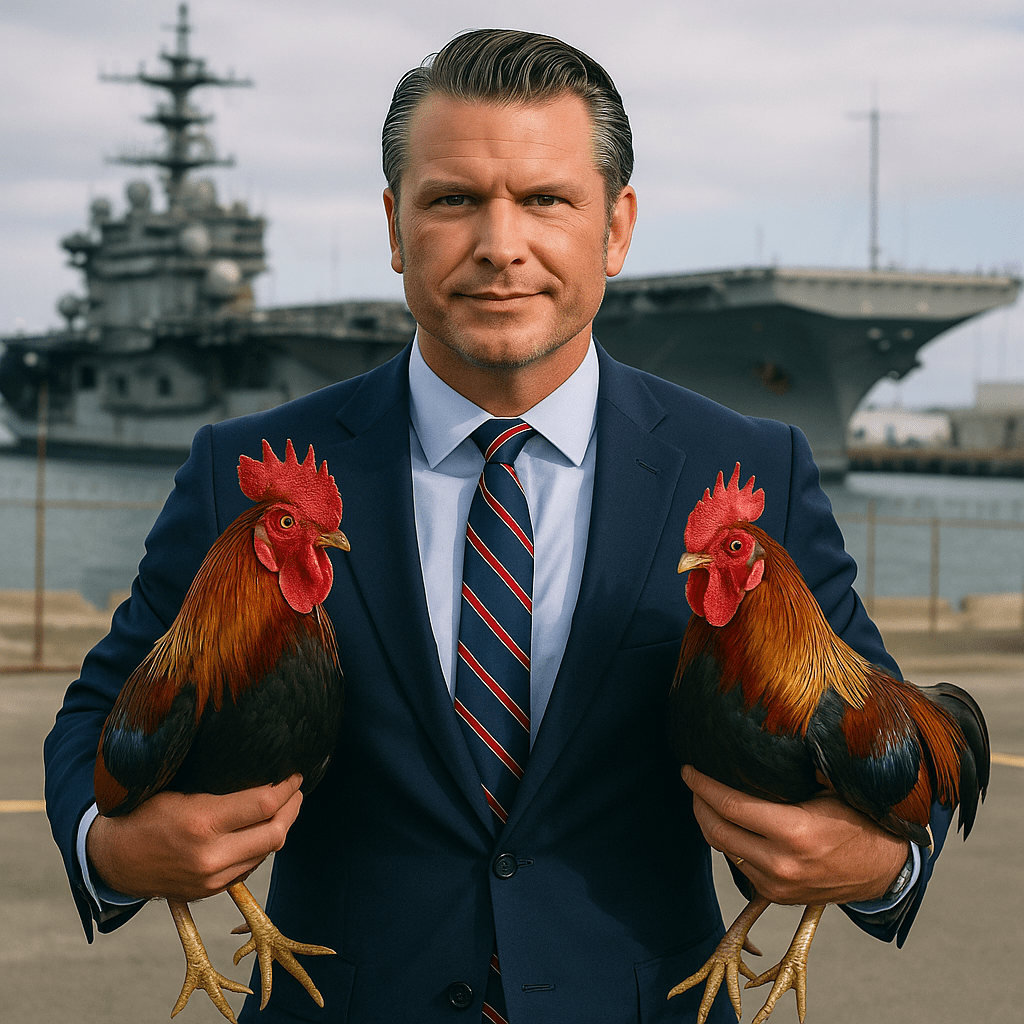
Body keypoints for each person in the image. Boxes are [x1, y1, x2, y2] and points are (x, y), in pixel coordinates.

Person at [45, 29, 949, 1024]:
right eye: (451, 199)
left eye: (547, 199)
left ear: (617, 226)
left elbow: (896, 733)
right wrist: (114, 848)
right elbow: (101, 707)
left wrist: (874, 861)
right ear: (394, 227)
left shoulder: (748, 466)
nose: (499, 244)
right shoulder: (243, 472)